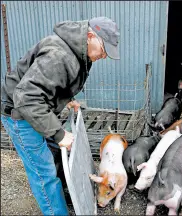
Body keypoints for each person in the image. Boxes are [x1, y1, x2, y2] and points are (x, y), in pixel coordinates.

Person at [1, 17, 120, 215]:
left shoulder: (78, 50)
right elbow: (27, 97)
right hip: (19, 112)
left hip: (36, 107)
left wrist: (66, 98)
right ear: (91, 36)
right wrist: (59, 133)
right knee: (43, 172)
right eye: (104, 49)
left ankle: (64, 194)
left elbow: (52, 82)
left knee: (56, 152)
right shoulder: (58, 55)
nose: (104, 55)